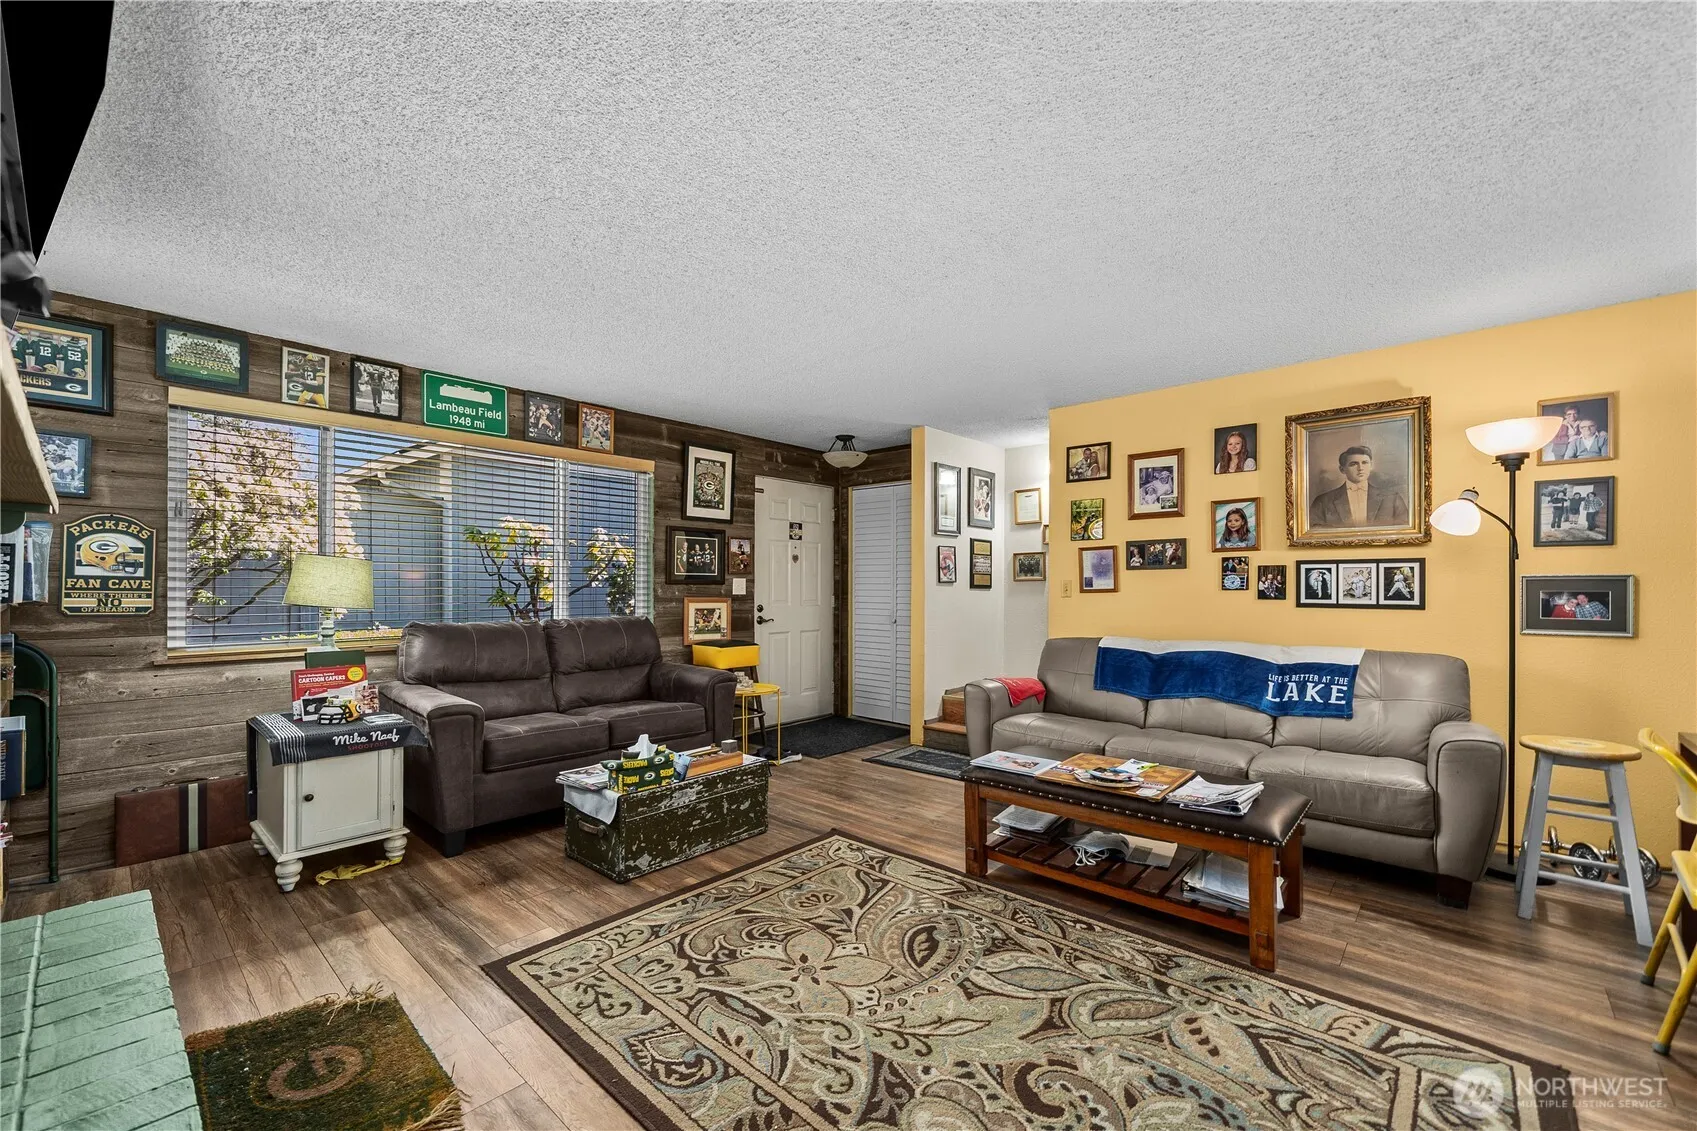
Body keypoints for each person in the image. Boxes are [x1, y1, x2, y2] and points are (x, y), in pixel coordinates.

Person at [1309, 445, 1409, 529]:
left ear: (1371, 466)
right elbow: (1315, 533)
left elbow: (1404, 532)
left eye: (1365, 463)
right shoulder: (1323, 502)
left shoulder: (1392, 498)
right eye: (1353, 464)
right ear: (1342, 469)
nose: (1360, 468)